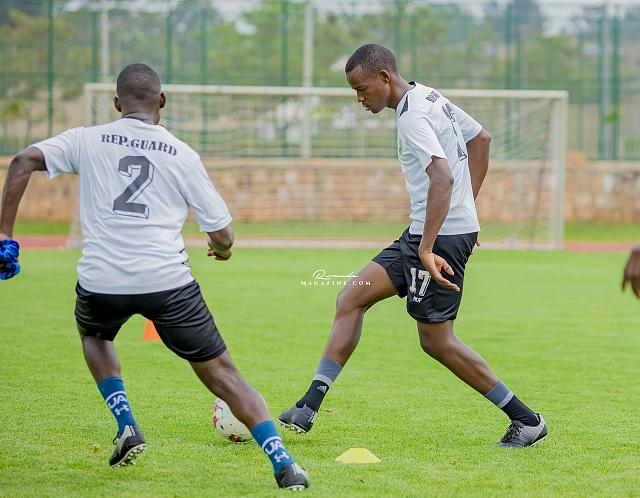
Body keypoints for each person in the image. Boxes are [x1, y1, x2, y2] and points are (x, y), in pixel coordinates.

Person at [0, 63, 308, 490]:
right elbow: (222, 233)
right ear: (162, 101)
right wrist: (221, 250)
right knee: (223, 374)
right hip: (167, 282)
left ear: (116, 103)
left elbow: (22, 161)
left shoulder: (85, 139)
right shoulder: (181, 153)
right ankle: (284, 463)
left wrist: (5, 235)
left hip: (102, 282)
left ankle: (126, 424)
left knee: (95, 336)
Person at [278, 44, 547, 448]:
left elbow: (442, 177)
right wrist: (465, 213)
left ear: (384, 78)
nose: (359, 99)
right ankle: (308, 405)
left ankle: (527, 420)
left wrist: (429, 246)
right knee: (351, 297)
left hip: (436, 239)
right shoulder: (428, 96)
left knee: (436, 340)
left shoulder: (412, 116)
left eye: (361, 89)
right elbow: (481, 139)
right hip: (426, 232)